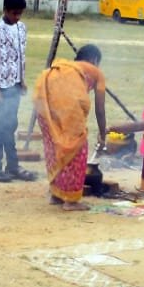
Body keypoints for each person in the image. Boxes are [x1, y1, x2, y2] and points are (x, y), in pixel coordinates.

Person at [33, 44, 106, 211]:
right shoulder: (96, 72)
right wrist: (103, 135)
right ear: (94, 60)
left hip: (43, 99)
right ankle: (71, 201)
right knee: (77, 148)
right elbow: (100, 110)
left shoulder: (63, 68)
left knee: (56, 145)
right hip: (68, 106)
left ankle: (56, 194)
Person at [0, 0, 36, 183]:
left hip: (14, 84)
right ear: (5, 10)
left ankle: (13, 166)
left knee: (10, 125)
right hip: (0, 87)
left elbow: (22, 55)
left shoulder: (22, 28)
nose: (17, 17)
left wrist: (22, 79)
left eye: (20, 14)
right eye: (14, 13)